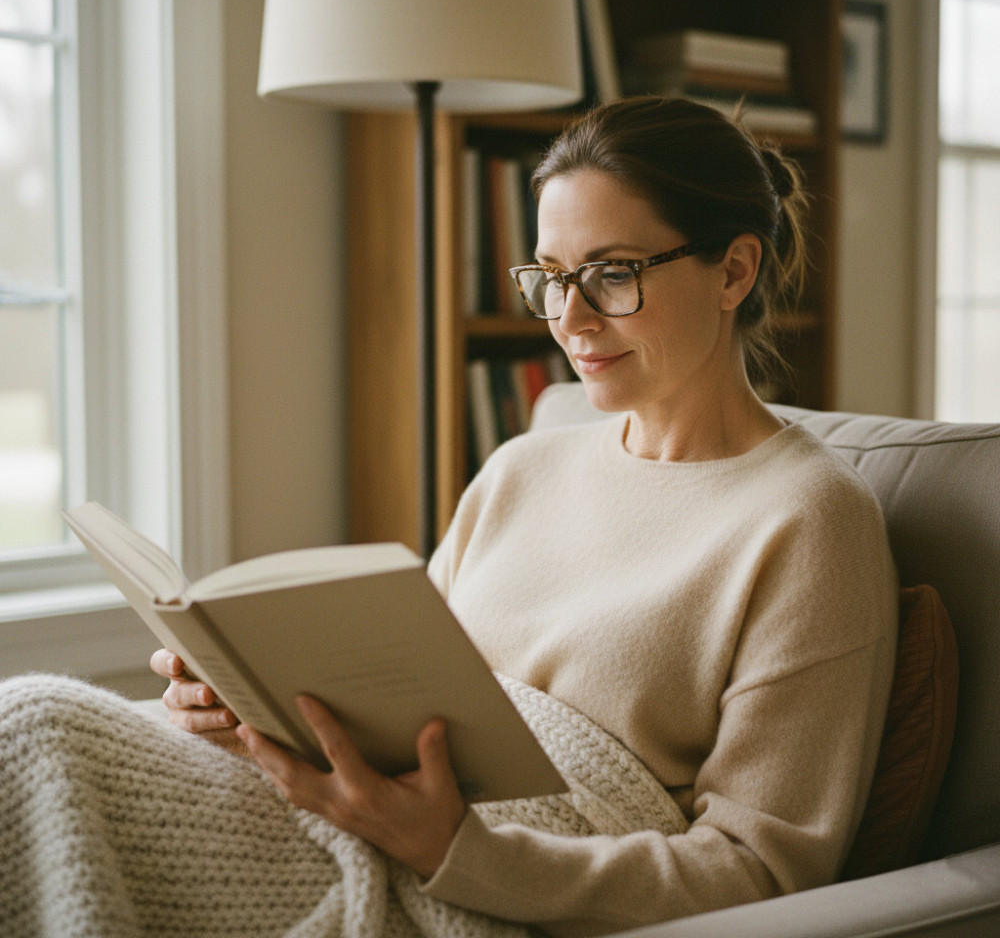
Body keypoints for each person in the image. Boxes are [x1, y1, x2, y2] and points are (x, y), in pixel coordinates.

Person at [3, 97, 897, 938]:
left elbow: (761, 871)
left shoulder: (809, 519)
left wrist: (458, 853)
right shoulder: (521, 469)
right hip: (372, 813)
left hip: (494, 868)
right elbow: (401, 702)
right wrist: (250, 711)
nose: (571, 318)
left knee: (41, 733)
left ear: (734, 270)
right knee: (32, 725)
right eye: (551, 278)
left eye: (611, 274)